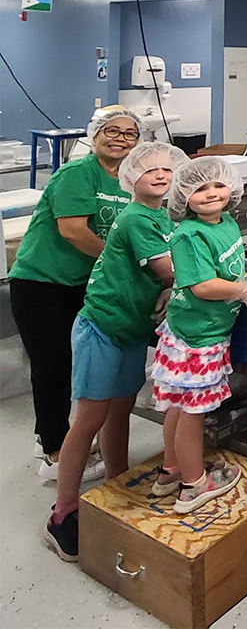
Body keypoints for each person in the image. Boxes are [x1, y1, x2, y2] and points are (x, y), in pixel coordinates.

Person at [42, 142, 188, 562]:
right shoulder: (137, 218)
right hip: (102, 327)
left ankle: (116, 483)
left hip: (131, 328)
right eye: (149, 171)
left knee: (121, 409)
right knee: (89, 418)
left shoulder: (162, 216)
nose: (160, 175)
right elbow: (170, 271)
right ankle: (63, 512)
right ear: (129, 179)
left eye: (167, 168)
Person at [10, 107, 144, 482]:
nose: (120, 138)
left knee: (75, 366)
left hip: (82, 285)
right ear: (94, 135)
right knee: (51, 366)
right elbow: (72, 230)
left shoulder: (129, 181)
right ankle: (54, 453)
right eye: (112, 131)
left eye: (129, 134)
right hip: (42, 283)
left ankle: (55, 437)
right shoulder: (77, 173)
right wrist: (123, 262)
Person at [152, 158, 247, 514]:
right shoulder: (189, 235)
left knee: (179, 405)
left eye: (217, 186)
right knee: (192, 413)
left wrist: (242, 283)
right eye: (199, 189)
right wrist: (242, 290)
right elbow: (202, 285)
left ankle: (171, 470)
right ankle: (195, 484)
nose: (211, 194)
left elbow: (231, 267)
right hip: (196, 338)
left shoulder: (227, 221)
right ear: (183, 198)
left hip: (206, 330)